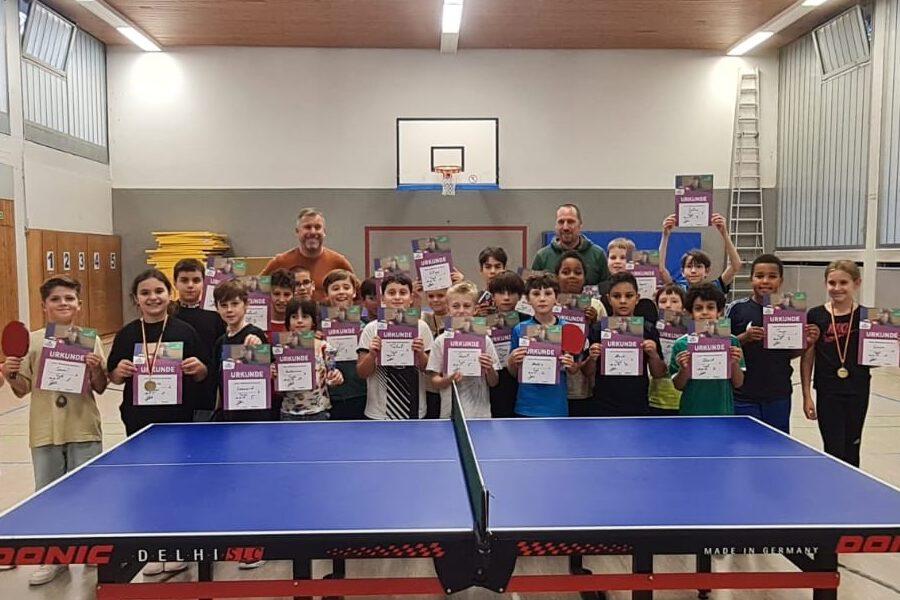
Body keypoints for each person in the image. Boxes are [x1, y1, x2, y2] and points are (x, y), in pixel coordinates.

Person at [1, 276, 107, 586]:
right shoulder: (33, 341)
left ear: (79, 304)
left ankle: (90, 552)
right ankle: (53, 559)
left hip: (85, 429)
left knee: (88, 496)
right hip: (44, 431)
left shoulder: (90, 339)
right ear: (44, 306)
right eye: (56, 299)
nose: (63, 303)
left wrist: (97, 368)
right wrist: (10, 376)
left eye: (70, 298)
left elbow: (99, 386)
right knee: (47, 498)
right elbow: (21, 390)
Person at [107, 269, 209, 578]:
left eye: (159, 291)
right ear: (136, 299)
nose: (153, 297)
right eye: (146, 293)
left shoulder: (184, 330)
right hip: (139, 420)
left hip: (178, 420)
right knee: (145, 485)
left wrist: (198, 366)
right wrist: (120, 371)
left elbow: (204, 373)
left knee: (177, 485)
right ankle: (151, 549)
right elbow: (112, 375)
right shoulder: (127, 334)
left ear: (169, 295)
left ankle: (177, 547)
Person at [727, 255, 819, 433]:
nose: (765, 281)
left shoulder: (791, 312)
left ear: (781, 280)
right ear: (751, 279)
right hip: (743, 395)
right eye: (759, 276)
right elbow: (723, 350)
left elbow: (790, 353)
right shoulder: (736, 309)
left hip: (778, 394)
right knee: (743, 448)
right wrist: (744, 338)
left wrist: (806, 343)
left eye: (772, 276)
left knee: (776, 448)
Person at [801, 261, 871, 467]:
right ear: (825, 284)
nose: (837, 288)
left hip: (857, 390)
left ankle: (851, 492)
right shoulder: (816, 315)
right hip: (828, 391)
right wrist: (806, 395)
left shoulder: (868, 317)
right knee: (832, 448)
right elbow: (808, 357)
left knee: (853, 446)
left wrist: (891, 347)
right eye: (832, 282)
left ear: (856, 283)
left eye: (843, 282)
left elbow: (874, 360)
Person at [584, 273, 667, 417]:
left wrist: (653, 355)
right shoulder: (598, 329)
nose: (623, 301)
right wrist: (592, 358)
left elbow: (658, 373)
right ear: (609, 299)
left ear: (637, 298)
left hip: (638, 405)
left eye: (629, 296)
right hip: (603, 405)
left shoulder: (647, 329)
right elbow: (586, 372)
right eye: (617, 296)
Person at [357, 273, 434, 419]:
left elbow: (429, 370)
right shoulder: (371, 329)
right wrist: (372, 354)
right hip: (378, 413)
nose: (397, 297)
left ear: (411, 298)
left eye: (403, 293)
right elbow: (362, 373)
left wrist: (421, 354)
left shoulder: (422, 327)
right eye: (391, 293)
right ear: (383, 298)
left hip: (414, 410)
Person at [506, 273, 579, 417]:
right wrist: (512, 360)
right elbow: (513, 372)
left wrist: (571, 365)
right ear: (527, 299)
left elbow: (574, 370)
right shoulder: (519, 329)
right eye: (536, 294)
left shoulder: (568, 329)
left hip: (557, 407)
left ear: (557, 298)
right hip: (526, 407)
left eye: (548, 293)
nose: (542, 298)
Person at [427, 281, 501, 418]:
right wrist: (447, 380)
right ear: (448, 309)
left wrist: (489, 368)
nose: (461, 310)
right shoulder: (440, 341)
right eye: (455, 306)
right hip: (449, 414)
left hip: (480, 415)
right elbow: (434, 381)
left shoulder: (485, 340)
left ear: (475, 309)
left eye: (467, 306)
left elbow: (494, 382)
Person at [669, 283, 744, 415]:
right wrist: (685, 369)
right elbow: (678, 386)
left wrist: (733, 363)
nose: (704, 312)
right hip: (691, 412)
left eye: (710, 307)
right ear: (690, 313)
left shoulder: (732, 341)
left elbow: (738, 383)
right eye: (698, 308)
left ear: (719, 312)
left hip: (723, 412)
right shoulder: (681, 344)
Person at [172, 258, 226, 422]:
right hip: (173, 394)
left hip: (206, 395)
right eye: (184, 280)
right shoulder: (168, 313)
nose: (190, 285)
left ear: (204, 282)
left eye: (196, 280)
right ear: (175, 282)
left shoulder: (216, 316)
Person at [261, 208, 354, 302]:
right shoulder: (280, 262)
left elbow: (358, 295)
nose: (313, 232)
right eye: (307, 227)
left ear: (324, 232)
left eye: (317, 227)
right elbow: (257, 293)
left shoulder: (339, 262)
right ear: (297, 232)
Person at [554, 251, 607, 415]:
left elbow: (606, 343)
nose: (572, 276)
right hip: (554, 386)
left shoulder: (595, 305)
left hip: (584, 388)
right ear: (556, 276)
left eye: (578, 272)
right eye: (565, 272)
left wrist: (593, 323)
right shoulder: (549, 304)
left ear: (585, 277)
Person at [211, 279, 270, 423]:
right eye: (224, 305)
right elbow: (219, 381)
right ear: (217, 308)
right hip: (229, 415)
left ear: (246, 305)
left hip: (255, 416)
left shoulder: (256, 335)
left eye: (235, 304)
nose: (229, 310)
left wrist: (259, 346)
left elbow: (270, 372)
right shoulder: (220, 342)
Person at [277, 299, 344, 420]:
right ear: (288, 321)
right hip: (289, 413)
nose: (299, 321)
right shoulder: (280, 349)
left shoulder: (325, 347)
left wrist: (336, 377)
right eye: (294, 316)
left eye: (305, 316)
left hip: (319, 413)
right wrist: (273, 374)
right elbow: (278, 388)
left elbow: (332, 376)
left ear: (313, 321)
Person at [322, 269, 367, 420]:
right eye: (335, 288)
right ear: (327, 294)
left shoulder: (367, 326)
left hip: (361, 394)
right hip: (332, 397)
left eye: (346, 287)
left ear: (354, 292)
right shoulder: (318, 329)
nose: (341, 292)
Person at [658, 213, 742, 293]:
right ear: (682, 272)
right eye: (689, 266)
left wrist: (724, 232)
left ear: (707, 271)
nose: (693, 271)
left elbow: (735, 266)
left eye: (698, 266)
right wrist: (665, 235)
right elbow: (662, 269)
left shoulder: (715, 288)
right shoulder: (678, 290)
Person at [531, 204, 611, 285]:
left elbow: (606, 290)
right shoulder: (542, 257)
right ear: (556, 226)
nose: (565, 227)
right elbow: (533, 289)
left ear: (580, 226)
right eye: (561, 222)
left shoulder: (597, 255)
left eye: (570, 222)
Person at [486, 270, 527, 418]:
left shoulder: (529, 322)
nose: (506, 298)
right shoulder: (483, 322)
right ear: (493, 295)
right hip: (493, 380)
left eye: (511, 293)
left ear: (520, 296)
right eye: (501, 293)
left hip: (520, 383)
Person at [600, 238, 659, 324]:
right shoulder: (600, 289)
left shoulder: (648, 291)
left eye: (623, 258)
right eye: (613, 258)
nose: (617, 261)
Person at [648, 284, 687, 416]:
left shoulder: (692, 333)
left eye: (675, 301)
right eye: (663, 301)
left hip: (685, 398)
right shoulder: (650, 330)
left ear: (683, 307)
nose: (668, 305)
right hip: (657, 398)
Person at [268, 269, 294, 333]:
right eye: (276, 294)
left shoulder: (301, 325)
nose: (281, 300)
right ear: (269, 294)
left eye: (286, 294)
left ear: (294, 295)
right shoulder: (259, 324)